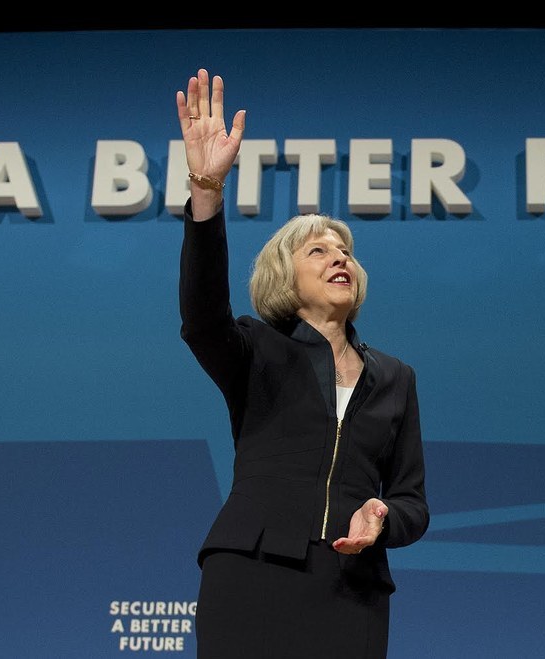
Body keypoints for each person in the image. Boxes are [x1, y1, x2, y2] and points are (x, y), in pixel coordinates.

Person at [175, 68, 429, 658]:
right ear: (283, 278)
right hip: (252, 568)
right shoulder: (255, 348)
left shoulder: (395, 377)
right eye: (319, 251)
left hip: (351, 587)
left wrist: (382, 515)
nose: (339, 259)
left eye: (345, 252)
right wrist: (207, 193)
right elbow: (201, 315)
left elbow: (414, 500)